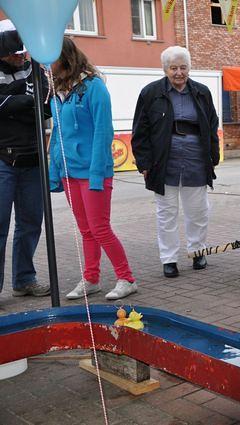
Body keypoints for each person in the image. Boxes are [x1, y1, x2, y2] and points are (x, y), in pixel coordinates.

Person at [49, 37, 137, 300]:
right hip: (69, 173)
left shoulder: (94, 87)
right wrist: (55, 171)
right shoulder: (56, 92)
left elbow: (103, 132)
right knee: (86, 230)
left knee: (100, 228)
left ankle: (127, 278)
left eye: (49, 60)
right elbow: (57, 134)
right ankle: (91, 278)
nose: (45, 66)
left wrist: (98, 173)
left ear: (65, 58)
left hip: (92, 172)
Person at [131, 46, 220, 278]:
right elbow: (140, 131)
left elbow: (211, 125)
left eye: (183, 67)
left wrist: (214, 154)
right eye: (174, 68)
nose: (179, 73)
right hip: (163, 162)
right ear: (165, 69)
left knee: (198, 211)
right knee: (166, 213)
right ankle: (169, 259)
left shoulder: (202, 92)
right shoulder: (150, 93)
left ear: (189, 68)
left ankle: (197, 252)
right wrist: (144, 163)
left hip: (195, 160)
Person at [0, 20, 50, 297]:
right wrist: (23, 100)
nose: (20, 58)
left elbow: (43, 104)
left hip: (33, 160)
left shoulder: (36, 69)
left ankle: (24, 280)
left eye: (22, 53)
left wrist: (12, 101)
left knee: (30, 222)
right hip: (3, 161)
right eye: (13, 54)